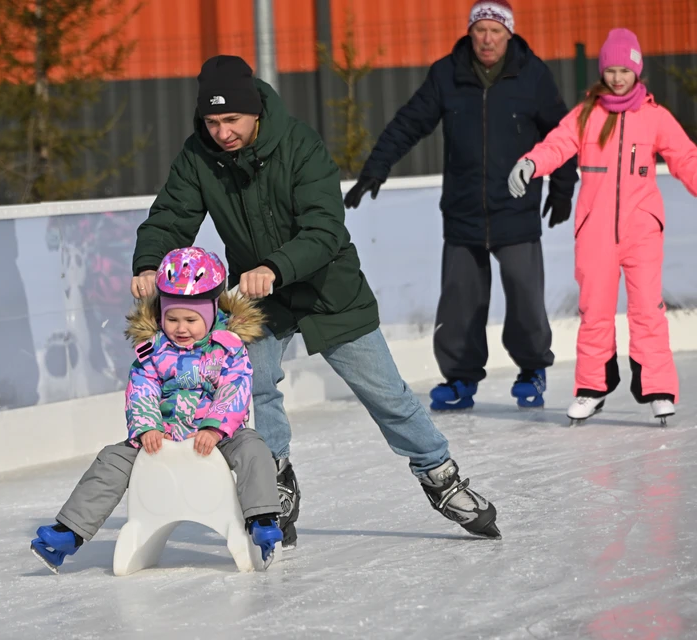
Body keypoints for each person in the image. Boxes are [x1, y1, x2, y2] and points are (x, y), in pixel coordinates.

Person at [130, 55, 500, 547]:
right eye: (212, 122)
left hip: (328, 289)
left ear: (255, 112)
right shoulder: (199, 156)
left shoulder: (299, 145)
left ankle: (440, 476)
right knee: (252, 388)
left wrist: (276, 267)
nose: (222, 132)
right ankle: (276, 480)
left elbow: (325, 228)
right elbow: (173, 214)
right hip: (258, 299)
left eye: (231, 120)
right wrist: (149, 263)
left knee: (386, 395)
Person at [345, 0, 579, 411]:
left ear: (509, 34)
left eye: (495, 31)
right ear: (470, 34)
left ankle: (532, 370)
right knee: (459, 302)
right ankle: (459, 380)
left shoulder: (533, 75)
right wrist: (375, 168)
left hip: (516, 207)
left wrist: (562, 189)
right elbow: (409, 122)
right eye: (479, 31)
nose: (486, 39)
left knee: (525, 296)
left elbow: (561, 135)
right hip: (464, 209)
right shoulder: (447, 74)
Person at [31, 247, 284, 573]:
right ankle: (69, 533)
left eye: (191, 320)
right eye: (172, 318)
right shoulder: (152, 350)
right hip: (161, 435)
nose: (181, 327)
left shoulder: (228, 348)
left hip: (218, 434)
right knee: (112, 459)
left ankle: (261, 518)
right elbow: (141, 390)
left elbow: (234, 389)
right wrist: (147, 427)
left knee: (253, 448)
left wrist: (215, 427)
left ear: (210, 312)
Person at [508, 28, 697, 426]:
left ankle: (659, 389)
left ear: (636, 70)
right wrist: (530, 163)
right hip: (594, 231)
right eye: (609, 70)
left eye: (623, 70)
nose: (616, 77)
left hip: (642, 229)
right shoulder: (587, 115)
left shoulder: (654, 116)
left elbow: (686, 158)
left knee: (648, 309)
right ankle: (592, 389)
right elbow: (556, 145)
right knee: (594, 311)